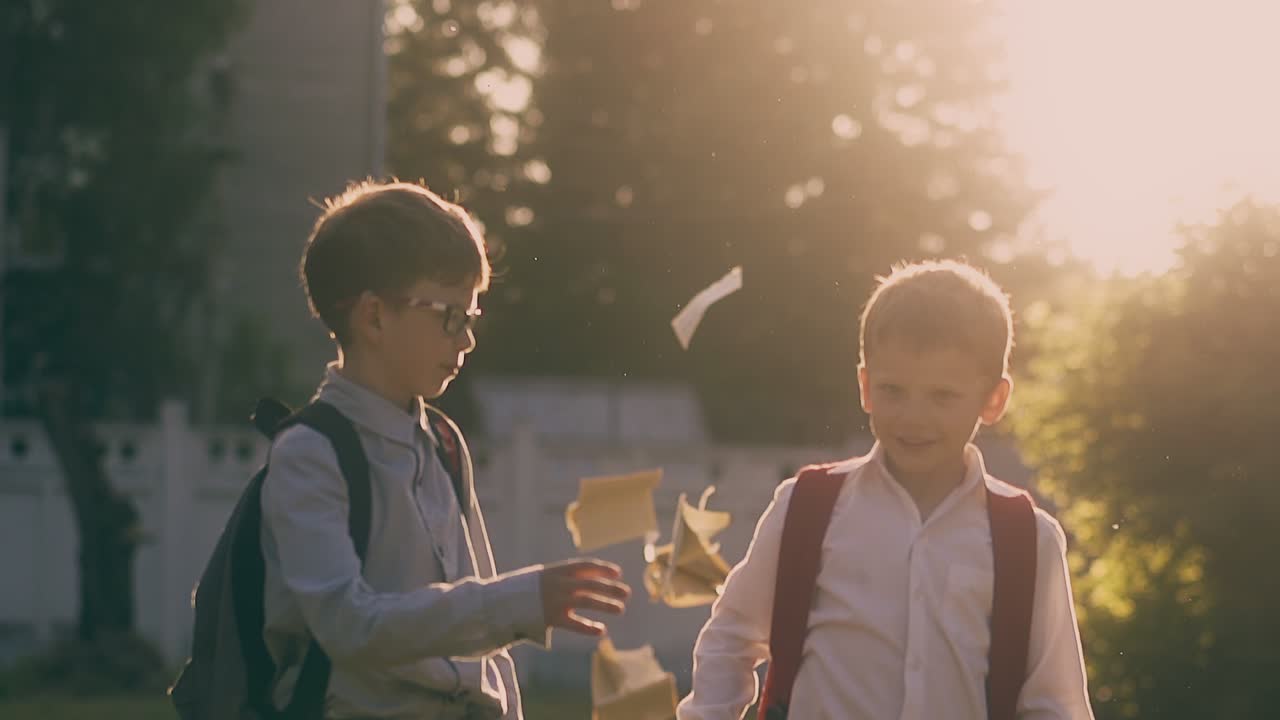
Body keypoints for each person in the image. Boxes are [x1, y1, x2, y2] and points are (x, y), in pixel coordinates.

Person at [261, 180, 631, 719]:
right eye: (450, 316)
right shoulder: (310, 454)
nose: (467, 339)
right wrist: (516, 602)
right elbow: (348, 624)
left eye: (472, 317)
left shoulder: (444, 443)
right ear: (374, 318)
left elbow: (487, 651)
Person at [677, 259, 1094, 719]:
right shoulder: (807, 506)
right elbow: (730, 639)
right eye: (893, 390)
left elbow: (1055, 705)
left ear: (993, 400)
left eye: (942, 396)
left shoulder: (1030, 539)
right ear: (865, 387)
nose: (913, 417)